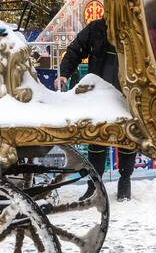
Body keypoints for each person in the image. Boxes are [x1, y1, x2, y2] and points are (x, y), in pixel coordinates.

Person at [57, 15, 136, 200]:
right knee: (97, 138)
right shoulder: (96, 28)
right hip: (100, 94)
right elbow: (75, 50)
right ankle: (94, 185)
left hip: (126, 93)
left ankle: (125, 182)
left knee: (127, 137)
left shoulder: (134, 28)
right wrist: (64, 73)